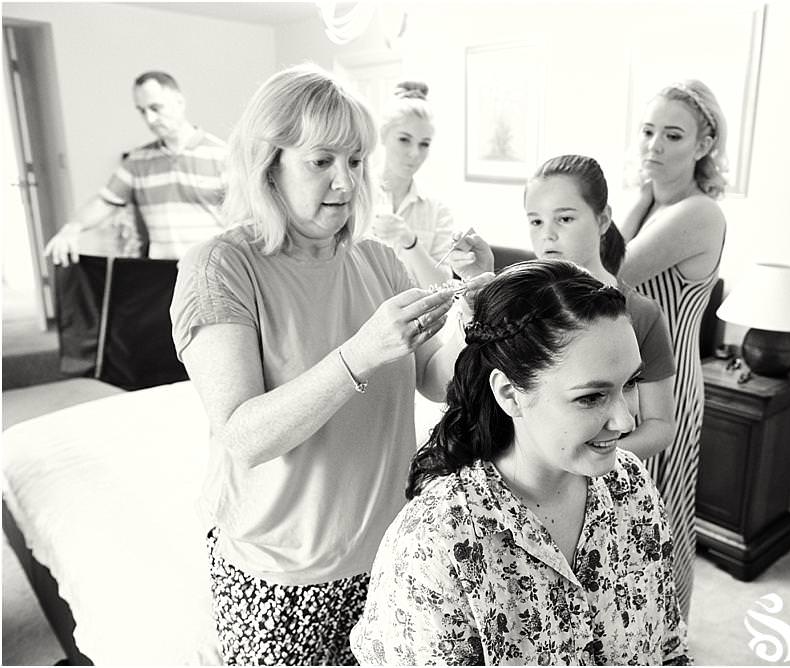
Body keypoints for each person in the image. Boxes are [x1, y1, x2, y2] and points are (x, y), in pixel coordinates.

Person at [169, 63, 491, 665]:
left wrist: (478, 309)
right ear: (270, 162)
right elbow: (243, 436)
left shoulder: (380, 260)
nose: (344, 183)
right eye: (322, 161)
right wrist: (359, 354)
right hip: (282, 575)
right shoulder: (221, 267)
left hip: (390, 552)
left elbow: (437, 379)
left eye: (356, 160)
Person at [351, 259, 691, 666]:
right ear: (510, 394)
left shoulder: (630, 485)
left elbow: (668, 649)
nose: (626, 420)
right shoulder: (436, 543)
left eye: (630, 384)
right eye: (591, 397)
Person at [616, 79, 729, 620]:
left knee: (658, 515)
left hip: (670, 386)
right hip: (623, 382)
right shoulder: (647, 206)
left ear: (703, 146)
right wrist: (641, 193)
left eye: (673, 135)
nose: (654, 146)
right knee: (616, 517)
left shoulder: (699, 214)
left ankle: (666, 638)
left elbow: (605, 274)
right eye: (648, 131)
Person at [524, 154, 677, 461]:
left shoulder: (641, 314)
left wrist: (589, 457)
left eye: (564, 219)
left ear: (603, 219)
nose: (547, 234)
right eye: (536, 221)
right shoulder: (521, 306)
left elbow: (660, 426)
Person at [45, 71, 226, 264]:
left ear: (179, 101)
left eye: (156, 108)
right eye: (142, 111)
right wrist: (72, 227)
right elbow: (105, 202)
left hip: (212, 271)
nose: (150, 119)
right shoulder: (137, 162)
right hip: (163, 277)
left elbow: (245, 220)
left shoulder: (223, 155)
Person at [366, 81, 457, 287]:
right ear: (383, 135)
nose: (415, 154)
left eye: (424, 144)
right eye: (404, 140)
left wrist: (410, 240)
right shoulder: (357, 195)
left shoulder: (437, 211)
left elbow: (442, 286)